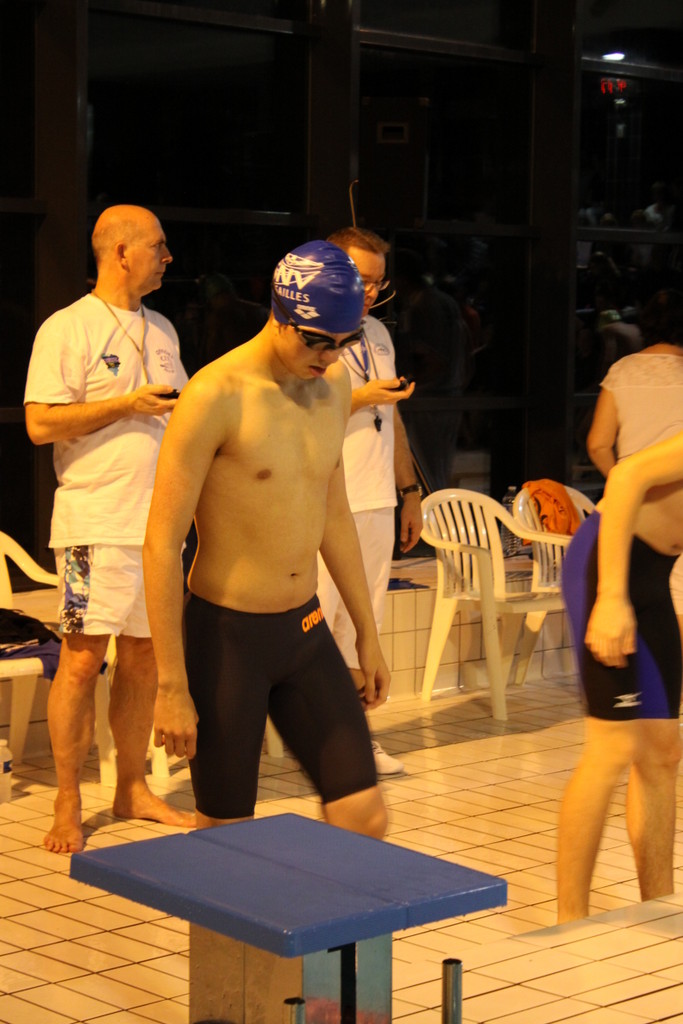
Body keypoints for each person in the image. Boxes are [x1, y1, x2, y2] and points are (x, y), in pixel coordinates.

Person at [143, 240, 389, 838]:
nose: (330, 357)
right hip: (228, 642)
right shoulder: (215, 395)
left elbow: (335, 515)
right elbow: (161, 544)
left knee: (365, 816)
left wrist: (367, 632)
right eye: (317, 341)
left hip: (304, 630)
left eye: (346, 341)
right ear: (279, 316)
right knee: (225, 838)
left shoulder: (333, 386)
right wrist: (172, 684)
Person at [24, 204, 193, 853]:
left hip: (158, 527)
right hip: (95, 523)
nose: (167, 256)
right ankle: (69, 799)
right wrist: (125, 405)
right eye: (158, 244)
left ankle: (132, 788)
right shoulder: (67, 327)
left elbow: (182, 421)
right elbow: (40, 423)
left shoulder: (163, 329)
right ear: (121, 252)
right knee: (82, 659)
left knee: (144, 657)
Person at [558, 430, 683, 922]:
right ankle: (570, 922)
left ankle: (660, 906)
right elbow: (628, 475)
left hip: (654, 574)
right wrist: (611, 597)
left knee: (662, 752)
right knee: (611, 748)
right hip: (607, 564)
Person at [316, 227, 423, 776]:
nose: (372, 292)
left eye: (380, 283)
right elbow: (300, 408)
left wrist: (409, 491)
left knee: (365, 624)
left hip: (377, 497)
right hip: (325, 498)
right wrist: (360, 397)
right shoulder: (308, 332)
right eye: (362, 280)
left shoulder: (378, 331)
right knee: (318, 620)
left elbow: (393, 419)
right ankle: (319, 736)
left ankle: (356, 737)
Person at [586, 289, 683, 648]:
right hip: (635, 540)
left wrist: (626, 487)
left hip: (627, 524)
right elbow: (629, 474)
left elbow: (598, 445)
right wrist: (631, 484)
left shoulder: (624, 370)